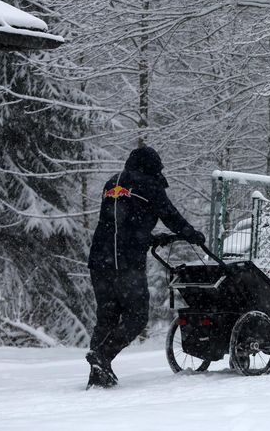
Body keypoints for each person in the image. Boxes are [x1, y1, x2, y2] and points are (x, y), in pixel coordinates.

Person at [86, 144, 205, 388]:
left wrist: (149, 238)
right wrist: (192, 234)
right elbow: (170, 215)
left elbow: (119, 226)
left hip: (100, 261)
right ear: (152, 167)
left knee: (106, 317)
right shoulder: (149, 184)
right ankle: (103, 356)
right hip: (127, 263)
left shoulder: (112, 184)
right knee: (137, 317)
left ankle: (98, 373)